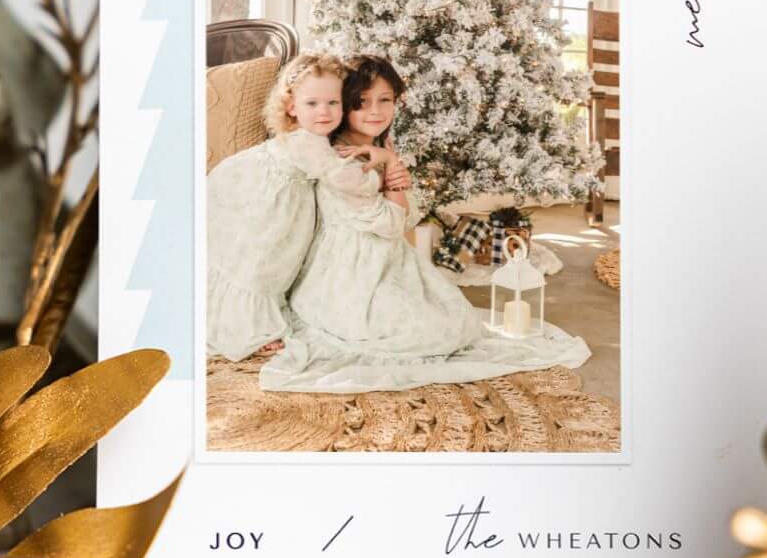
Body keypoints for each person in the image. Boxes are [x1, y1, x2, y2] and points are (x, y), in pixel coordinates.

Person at [260, 54, 591, 394]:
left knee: (455, 322)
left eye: (385, 100)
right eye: (361, 103)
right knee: (424, 333)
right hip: (349, 273)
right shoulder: (343, 159)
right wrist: (391, 171)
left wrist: (390, 160)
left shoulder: (375, 145)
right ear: (344, 104)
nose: (375, 112)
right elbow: (391, 224)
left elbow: (409, 214)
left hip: (387, 262)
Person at [202, 53, 380, 362]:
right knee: (260, 264)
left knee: (270, 264)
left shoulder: (314, 139)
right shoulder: (305, 141)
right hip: (264, 203)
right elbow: (342, 177)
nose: (324, 112)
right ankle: (248, 329)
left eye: (333, 103)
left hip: (277, 200)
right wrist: (377, 176)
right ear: (291, 106)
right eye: (312, 104)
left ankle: (252, 319)